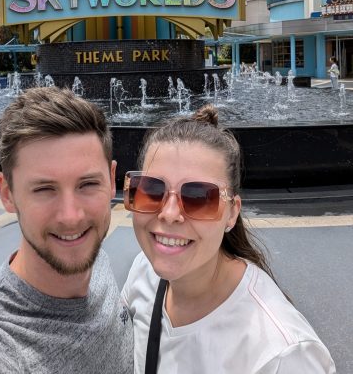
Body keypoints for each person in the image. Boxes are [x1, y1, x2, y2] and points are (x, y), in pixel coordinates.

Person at [0, 87, 133, 374]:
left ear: (111, 180)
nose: (71, 217)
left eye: (87, 184)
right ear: (7, 193)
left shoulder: (97, 260)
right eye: (45, 189)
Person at [122, 104, 336, 373]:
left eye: (199, 197)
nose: (170, 213)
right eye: (151, 190)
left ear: (232, 213)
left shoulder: (282, 356)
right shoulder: (143, 274)